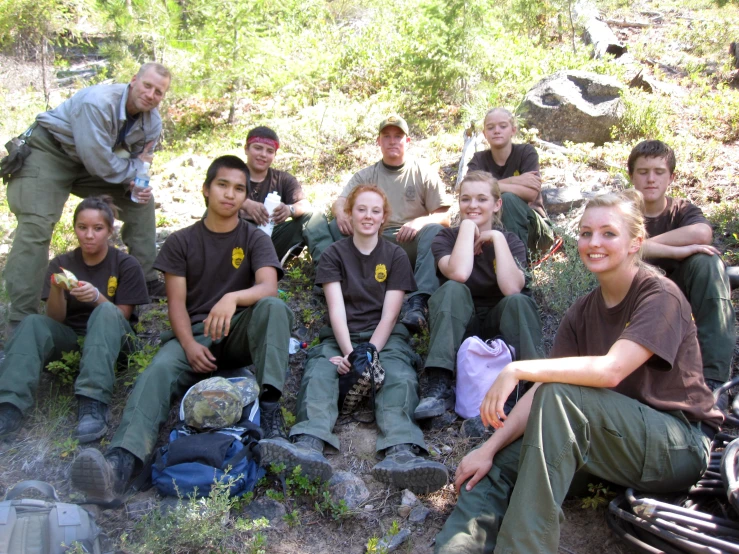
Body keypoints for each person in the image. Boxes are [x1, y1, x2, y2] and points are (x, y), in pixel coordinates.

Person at [434, 190, 722, 554]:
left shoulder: (660, 295)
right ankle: (456, 548)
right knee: (496, 466)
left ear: (636, 242)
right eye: (585, 233)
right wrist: (488, 448)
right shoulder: (583, 310)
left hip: (677, 444)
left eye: (608, 233)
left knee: (561, 395)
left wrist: (518, 369)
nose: (593, 242)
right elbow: (542, 393)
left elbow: (611, 370)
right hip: (607, 441)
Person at [70, 156, 294, 504]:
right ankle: (122, 462)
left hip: (238, 334)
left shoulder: (254, 239)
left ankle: (270, 410)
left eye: (239, 189)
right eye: (222, 185)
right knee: (157, 372)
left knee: (274, 307)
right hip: (194, 334)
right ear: (206, 189)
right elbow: (175, 303)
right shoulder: (181, 241)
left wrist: (232, 298)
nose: (230, 195)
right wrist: (188, 345)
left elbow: (267, 287)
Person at [260, 185, 449, 494]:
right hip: (341, 336)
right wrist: (350, 355)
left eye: (376, 211)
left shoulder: (395, 255)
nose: (368, 216)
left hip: (386, 338)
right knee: (321, 370)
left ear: (384, 216)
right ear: (349, 213)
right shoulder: (334, 254)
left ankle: (401, 451)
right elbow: (336, 309)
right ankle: (308, 442)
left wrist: (370, 353)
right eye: (361, 209)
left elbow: (390, 314)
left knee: (399, 376)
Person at [3, 62, 171, 332]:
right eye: (147, 86)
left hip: (92, 161)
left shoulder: (152, 122)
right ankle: (22, 316)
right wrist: (130, 174)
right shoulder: (98, 102)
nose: (151, 94)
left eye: (159, 92)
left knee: (139, 199)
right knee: (37, 226)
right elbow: (100, 164)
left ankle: (146, 278)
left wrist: (137, 184)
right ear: (133, 81)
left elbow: (142, 163)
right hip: (51, 151)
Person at [0, 196, 149, 442]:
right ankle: (9, 405)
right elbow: (55, 320)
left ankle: (93, 403)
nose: (89, 235)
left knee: (105, 311)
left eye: (98, 228)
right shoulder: (61, 264)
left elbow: (121, 316)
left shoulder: (126, 264)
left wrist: (97, 297)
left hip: (117, 347)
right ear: (75, 228)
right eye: (82, 227)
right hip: (73, 343)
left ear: (110, 231)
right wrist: (57, 289)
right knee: (32, 322)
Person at [414, 171, 543, 429]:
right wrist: (468, 228)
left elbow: (512, 288)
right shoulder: (445, 238)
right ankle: (438, 384)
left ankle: (532, 386)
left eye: (482, 199)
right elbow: (459, 273)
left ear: (497, 204)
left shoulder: (511, 241)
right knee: (452, 289)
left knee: (519, 301)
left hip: (501, 325)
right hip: (462, 325)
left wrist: (496, 238)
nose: (472, 206)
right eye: (466, 199)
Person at [304, 115, 452, 331]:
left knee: (435, 231)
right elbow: (341, 201)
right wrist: (341, 213)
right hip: (372, 240)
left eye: (398, 136)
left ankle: (418, 302)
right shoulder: (367, 175)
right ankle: (333, 280)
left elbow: (444, 216)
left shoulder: (422, 172)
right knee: (335, 226)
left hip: (407, 240)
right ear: (379, 141)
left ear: (407, 141)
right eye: (387, 136)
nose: (392, 141)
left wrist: (420, 222)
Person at [628, 140, 734, 392]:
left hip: (682, 294)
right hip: (634, 297)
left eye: (659, 172)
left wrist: (644, 245)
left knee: (707, 262)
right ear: (631, 176)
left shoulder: (682, 210)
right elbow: (615, 250)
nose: (651, 179)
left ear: (671, 177)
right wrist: (679, 249)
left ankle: (714, 381)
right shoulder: (622, 210)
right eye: (643, 172)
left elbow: (701, 234)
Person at [467, 108, 554, 258]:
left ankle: (519, 271)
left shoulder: (526, 153)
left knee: (507, 200)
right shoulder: (479, 159)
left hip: (536, 232)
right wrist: (515, 180)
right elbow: (468, 191)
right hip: (493, 229)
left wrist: (488, 188)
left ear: (513, 130)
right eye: (490, 127)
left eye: (503, 126)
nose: (496, 131)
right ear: (484, 134)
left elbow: (531, 193)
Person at [238, 126, 323, 261]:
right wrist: (244, 204)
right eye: (258, 148)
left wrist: (289, 210)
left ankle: (328, 273)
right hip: (234, 238)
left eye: (270, 151)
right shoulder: (232, 174)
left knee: (313, 217)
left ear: (275, 154)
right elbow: (213, 198)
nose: (263, 155)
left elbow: (305, 204)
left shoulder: (282, 179)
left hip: (269, 238)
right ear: (246, 149)